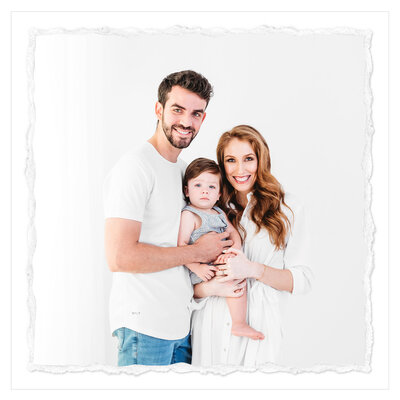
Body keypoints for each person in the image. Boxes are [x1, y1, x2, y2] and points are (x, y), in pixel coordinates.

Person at [103, 71, 243, 366]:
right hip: (144, 328)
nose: (186, 121)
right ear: (159, 110)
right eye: (177, 109)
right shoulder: (136, 167)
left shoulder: (184, 172)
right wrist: (198, 252)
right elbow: (120, 257)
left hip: (182, 327)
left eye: (196, 113)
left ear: (203, 119)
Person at [190, 125, 313, 367]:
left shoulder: (287, 209)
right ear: (222, 165)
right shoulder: (208, 209)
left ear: (261, 159)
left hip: (259, 330)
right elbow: (185, 280)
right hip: (210, 327)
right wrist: (211, 288)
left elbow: (303, 280)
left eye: (248, 159)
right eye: (231, 160)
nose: (240, 169)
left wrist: (253, 270)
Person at [177, 157, 265, 340]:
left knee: (238, 277)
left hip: (221, 261)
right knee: (230, 280)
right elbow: (181, 247)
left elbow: (233, 233)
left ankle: (239, 323)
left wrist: (234, 252)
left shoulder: (219, 212)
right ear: (187, 190)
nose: (204, 192)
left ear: (218, 194)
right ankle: (232, 312)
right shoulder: (189, 215)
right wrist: (198, 268)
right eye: (198, 185)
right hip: (202, 269)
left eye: (211, 187)